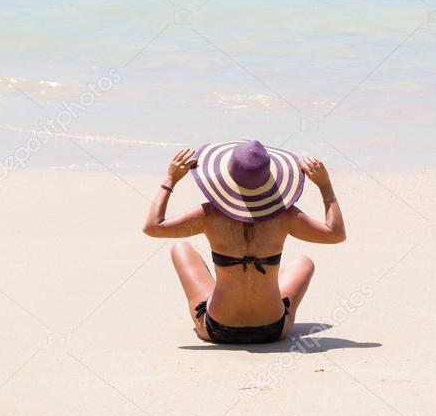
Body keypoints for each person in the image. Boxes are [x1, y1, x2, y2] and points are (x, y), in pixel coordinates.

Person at [142, 139, 345, 344]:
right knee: (304, 262)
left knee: (180, 248)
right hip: (273, 329)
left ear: (226, 176)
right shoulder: (285, 216)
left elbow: (153, 227)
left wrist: (170, 180)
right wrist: (324, 185)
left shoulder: (209, 215)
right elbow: (335, 234)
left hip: (218, 329)